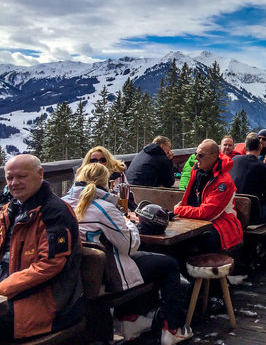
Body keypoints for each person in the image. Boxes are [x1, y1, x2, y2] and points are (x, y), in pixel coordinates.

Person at [63, 163, 192, 344]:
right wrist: (129, 223)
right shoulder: (104, 209)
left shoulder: (62, 203)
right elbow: (130, 246)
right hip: (106, 275)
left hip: (76, 274)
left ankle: (132, 319)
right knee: (168, 264)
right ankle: (173, 328)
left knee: (146, 262)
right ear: (105, 182)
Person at [0, 155, 83, 340]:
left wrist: (2, 288)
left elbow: (49, 265)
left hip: (47, 301)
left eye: (21, 177)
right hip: (13, 292)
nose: (14, 183)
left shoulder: (54, 212)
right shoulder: (11, 209)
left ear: (40, 174)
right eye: (9, 178)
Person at [175, 139, 243, 254]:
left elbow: (207, 214)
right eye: (195, 154)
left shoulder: (223, 182)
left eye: (200, 155)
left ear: (214, 156)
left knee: (202, 240)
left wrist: (179, 210)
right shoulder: (197, 172)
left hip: (222, 225)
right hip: (196, 220)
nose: (196, 158)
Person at [230, 135, 266, 223]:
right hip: (253, 214)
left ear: (245, 147)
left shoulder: (234, 160)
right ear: (260, 147)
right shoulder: (263, 167)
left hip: (234, 210)